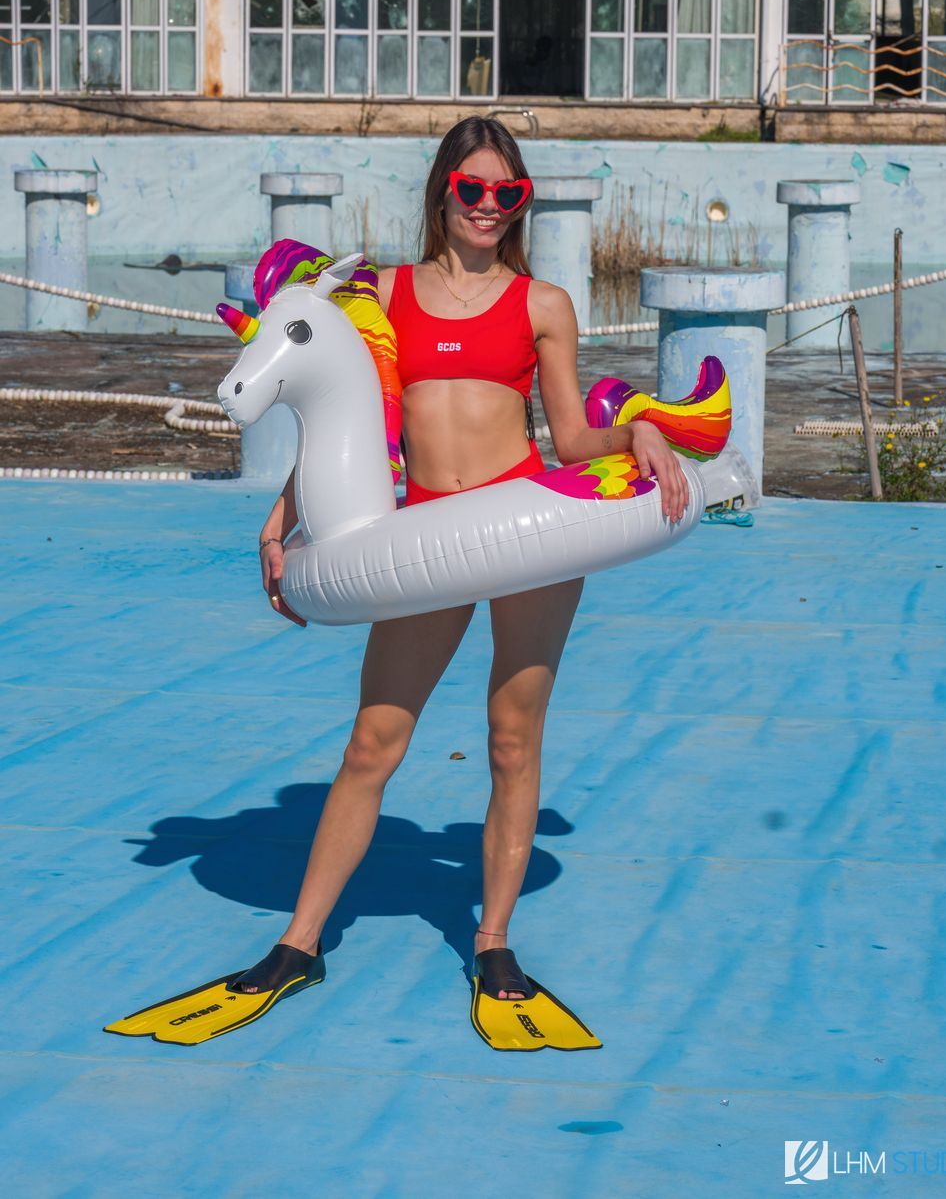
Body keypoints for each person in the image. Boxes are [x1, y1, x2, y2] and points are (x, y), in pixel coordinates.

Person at [106, 116, 689, 1050]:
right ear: (442, 191)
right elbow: (351, 422)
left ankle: (493, 945)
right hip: (424, 541)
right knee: (372, 743)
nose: (490, 207)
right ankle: (299, 942)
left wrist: (640, 432)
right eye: (474, 190)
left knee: (512, 740)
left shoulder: (542, 304)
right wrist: (285, 513)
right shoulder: (381, 294)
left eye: (508, 193)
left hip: (526, 529)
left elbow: (573, 438)